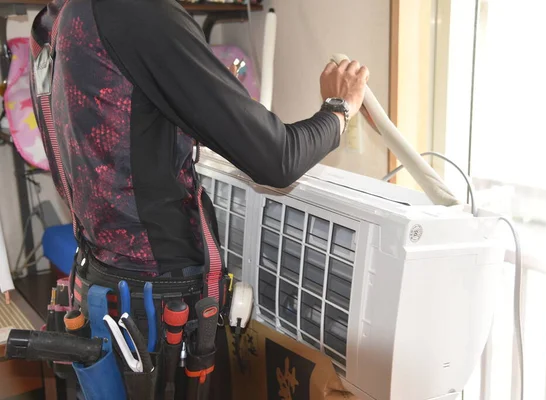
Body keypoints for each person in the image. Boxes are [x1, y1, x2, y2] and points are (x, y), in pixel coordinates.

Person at [29, 0, 368, 396]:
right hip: (158, 302)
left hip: (101, 280)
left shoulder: (58, 18)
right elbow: (279, 159)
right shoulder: (140, 13)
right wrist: (339, 108)